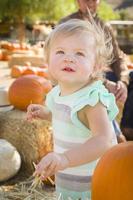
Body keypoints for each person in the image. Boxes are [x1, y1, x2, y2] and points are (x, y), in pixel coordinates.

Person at [27, 19, 118, 199]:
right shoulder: (56, 93)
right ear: (48, 61)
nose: (68, 58)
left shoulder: (91, 100)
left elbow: (104, 140)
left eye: (79, 53)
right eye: (60, 51)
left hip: (93, 182)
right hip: (68, 178)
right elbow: (68, 116)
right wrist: (47, 114)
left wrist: (65, 159)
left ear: (96, 66)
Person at [59, 0, 128, 142]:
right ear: (78, 1)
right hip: (75, 77)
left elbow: (117, 57)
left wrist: (123, 81)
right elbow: (70, 63)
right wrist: (104, 83)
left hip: (101, 75)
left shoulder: (104, 26)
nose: (89, 2)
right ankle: (115, 136)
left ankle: (128, 127)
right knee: (93, 91)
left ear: (99, 2)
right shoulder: (67, 25)